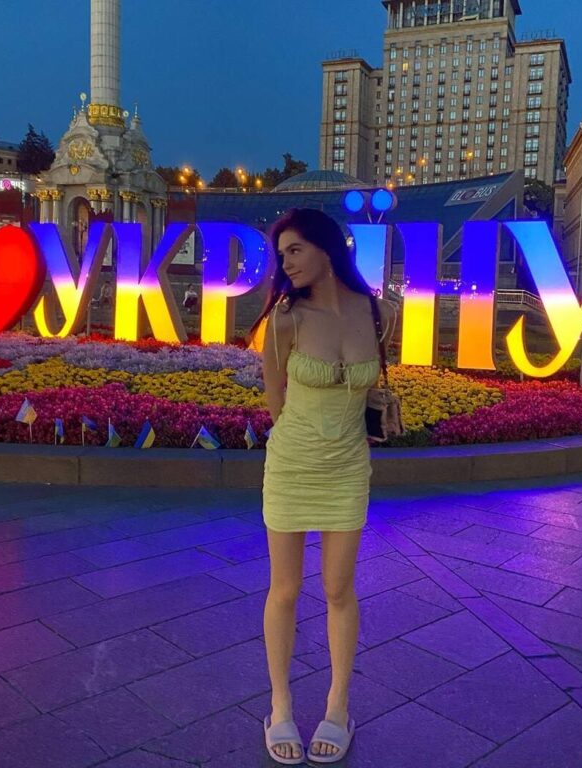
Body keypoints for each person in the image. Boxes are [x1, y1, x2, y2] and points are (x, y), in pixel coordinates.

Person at [249, 208, 396, 764]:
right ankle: (280, 705)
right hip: (292, 464)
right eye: (281, 253)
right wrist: (302, 442)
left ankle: (338, 705)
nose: (285, 263)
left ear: (326, 249)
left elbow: (373, 385)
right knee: (285, 590)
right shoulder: (285, 320)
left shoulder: (380, 313)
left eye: (295, 250)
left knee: (338, 589)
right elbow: (276, 400)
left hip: (348, 467)